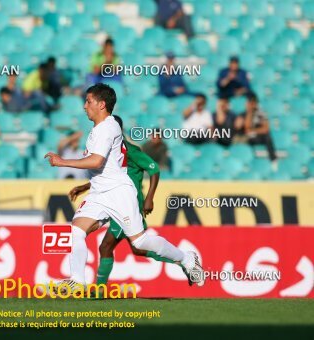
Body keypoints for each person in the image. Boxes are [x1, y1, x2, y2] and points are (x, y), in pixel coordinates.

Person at [44, 83, 204, 292]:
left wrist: (63, 162)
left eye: (88, 101)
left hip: (119, 193)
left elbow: (96, 162)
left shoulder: (108, 127)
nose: (84, 106)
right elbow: (104, 168)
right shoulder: (98, 130)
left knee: (140, 243)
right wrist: (86, 187)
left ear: (102, 105)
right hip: (100, 194)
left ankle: (186, 258)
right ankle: (77, 280)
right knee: (76, 230)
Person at [69, 115, 192, 291]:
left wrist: (149, 198)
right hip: (112, 202)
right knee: (133, 248)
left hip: (126, 204)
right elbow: (109, 178)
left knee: (115, 245)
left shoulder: (130, 150)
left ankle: (184, 260)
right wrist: (84, 187)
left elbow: (154, 169)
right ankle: (184, 261)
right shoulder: (110, 152)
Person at [242, 93, 277, 162]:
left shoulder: (261, 113)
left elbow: (266, 129)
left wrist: (253, 130)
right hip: (248, 139)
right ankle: (248, 159)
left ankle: (273, 159)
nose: (251, 105)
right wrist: (249, 112)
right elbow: (246, 129)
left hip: (259, 137)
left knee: (267, 137)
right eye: (249, 102)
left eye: (253, 102)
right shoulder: (243, 114)